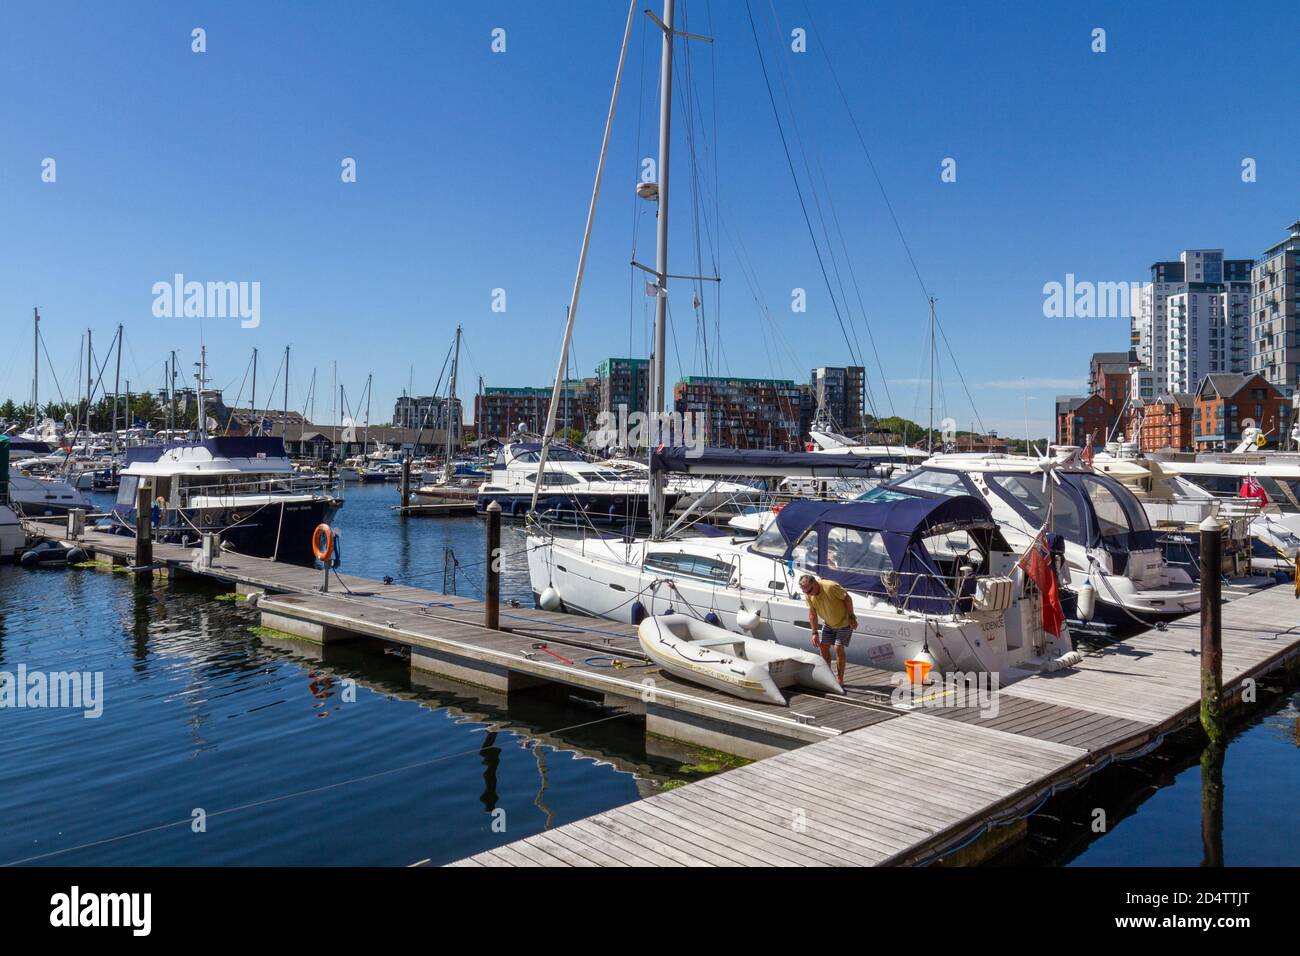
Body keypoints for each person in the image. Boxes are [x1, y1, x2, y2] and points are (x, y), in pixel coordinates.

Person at [799, 573, 856, 684]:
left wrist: (851, 617)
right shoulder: (809, 595)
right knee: (823, 647)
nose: (808, 594)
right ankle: (828, 676)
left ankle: (840, 679)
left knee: (838, 648)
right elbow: (812, 614)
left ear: (814, 584)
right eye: (805, 592)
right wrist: (814, 633)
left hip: (844, 623)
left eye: (809, 591)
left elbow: (847, 598)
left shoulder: (830, 587)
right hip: (829, 623)